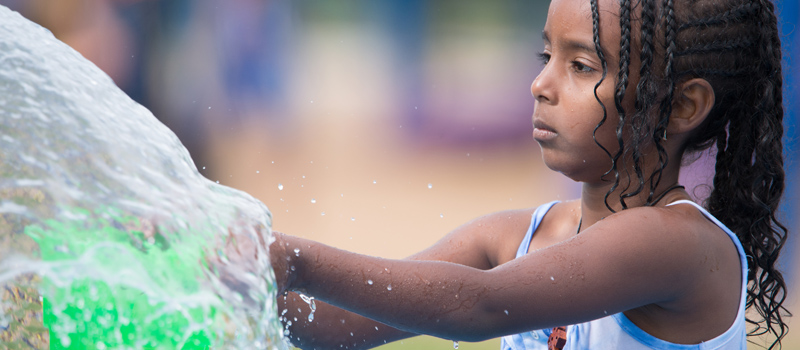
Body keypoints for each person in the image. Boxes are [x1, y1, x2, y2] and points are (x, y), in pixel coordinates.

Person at [266, 0, 790, 348]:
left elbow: (478, 304)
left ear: (681, 106)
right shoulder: (517, 236)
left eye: (582, 66)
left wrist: (294, 260)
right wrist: (227, 271)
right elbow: (331, 324)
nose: (540, 83)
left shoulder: (679, 245)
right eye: (546, 56)